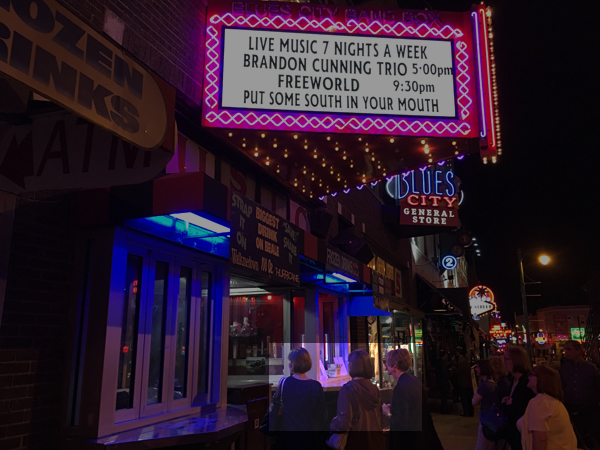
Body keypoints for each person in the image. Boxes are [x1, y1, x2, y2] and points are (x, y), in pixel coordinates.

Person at [382, 349, 443, 450]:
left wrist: (387, 413)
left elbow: (401, 423)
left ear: (395, 365)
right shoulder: (414, 381)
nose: (386, 365)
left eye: (387, 362)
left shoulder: (400, 387)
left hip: (410, 441)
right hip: (422, 438)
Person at [329, 349, 385, 450]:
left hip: (356, 442)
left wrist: (332, 424)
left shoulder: (347, 389)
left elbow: (343, 423)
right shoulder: (375, 389)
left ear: (352, 366)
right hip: (376, 441)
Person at [517, 365, 577, 450]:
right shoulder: (552, 402)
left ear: (541, 380)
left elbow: (540, 439)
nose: (528, 377)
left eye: (531, 374)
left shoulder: (540, 403)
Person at [278, 347, 327, 450]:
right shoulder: (316, 386)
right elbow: (322, 416)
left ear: (293, 364)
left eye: (291, 361)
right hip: (310, 436)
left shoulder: (285, 383)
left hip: (289, 435)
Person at [558, 340, 600, 447]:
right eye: (565, 349)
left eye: (569, 349)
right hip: (570, 408)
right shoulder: (564, 368)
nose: (566, 352)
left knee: (590, 438)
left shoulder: (591, 369)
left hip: (588, 410)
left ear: (578, 351)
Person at [499, 346, 535, 450]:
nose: (503, 362)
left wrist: (505, 404)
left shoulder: (527, 382)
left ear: (516, 360)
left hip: (523, 434)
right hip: (514, 433)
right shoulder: (513, 380)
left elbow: (518, 409)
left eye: (506, 359)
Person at [472, 360, 498, 450]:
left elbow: (474, 402)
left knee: (482, 445)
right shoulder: (492, 382)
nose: (476, 369)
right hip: (492, 419)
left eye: (477, 367)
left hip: (486, 420)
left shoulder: (485, 385)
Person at [456, 347, 475, 416]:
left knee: (465, 398)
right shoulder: (466, 361)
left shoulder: (461, 361)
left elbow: (459, 372)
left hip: (463, 383)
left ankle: (466, 412)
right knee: (469, 398)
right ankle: (470, 411)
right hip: (468, 383)